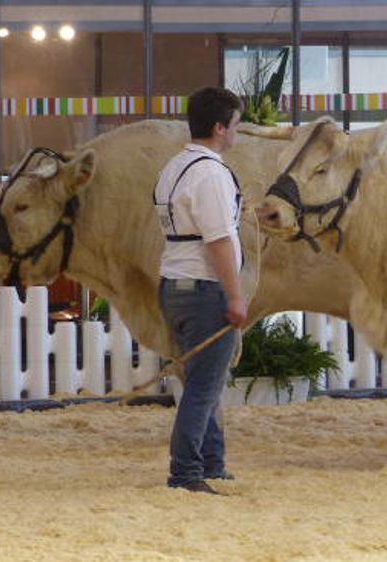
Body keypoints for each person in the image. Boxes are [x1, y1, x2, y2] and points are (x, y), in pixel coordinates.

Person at [154, 87, 246, 494]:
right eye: (236, 125)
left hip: (174, 283)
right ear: (219, 127)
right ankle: (185, 472)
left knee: (201, 379)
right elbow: (218, 241)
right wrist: (236, 295)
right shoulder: (211, 173)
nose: (237, 133)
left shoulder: (174, 166)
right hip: (205, 286)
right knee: (204, 386)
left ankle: (212, 461)